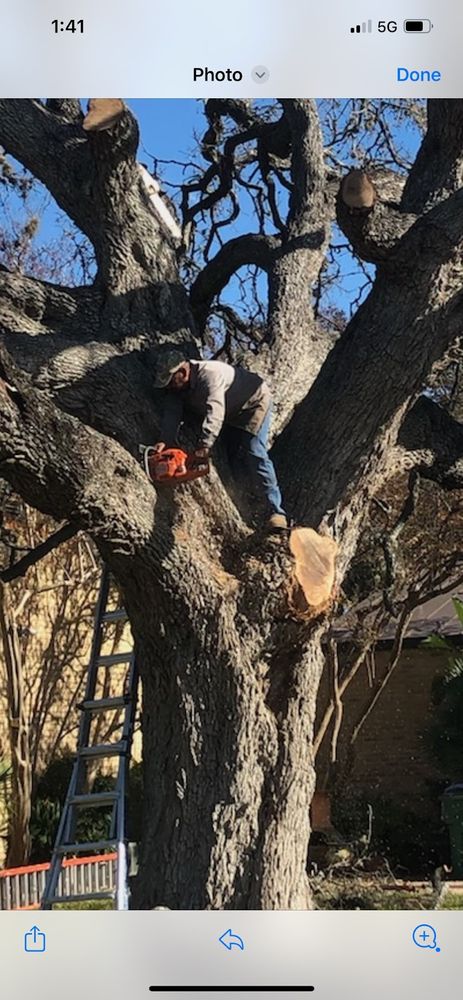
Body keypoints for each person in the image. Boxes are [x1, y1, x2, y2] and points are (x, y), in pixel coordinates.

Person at [153, 350, 288, 532]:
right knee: (231, 457)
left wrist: (205, 444)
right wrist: (165, 441)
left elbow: (215, 410)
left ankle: (276, 511)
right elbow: (172, 414)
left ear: (183, 373)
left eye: (170, 382)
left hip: (253, 402)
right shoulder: (176, 388)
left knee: (253, 450)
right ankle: (249, 507)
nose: (169, 387)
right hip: (230, 410)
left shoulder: (210, 374)